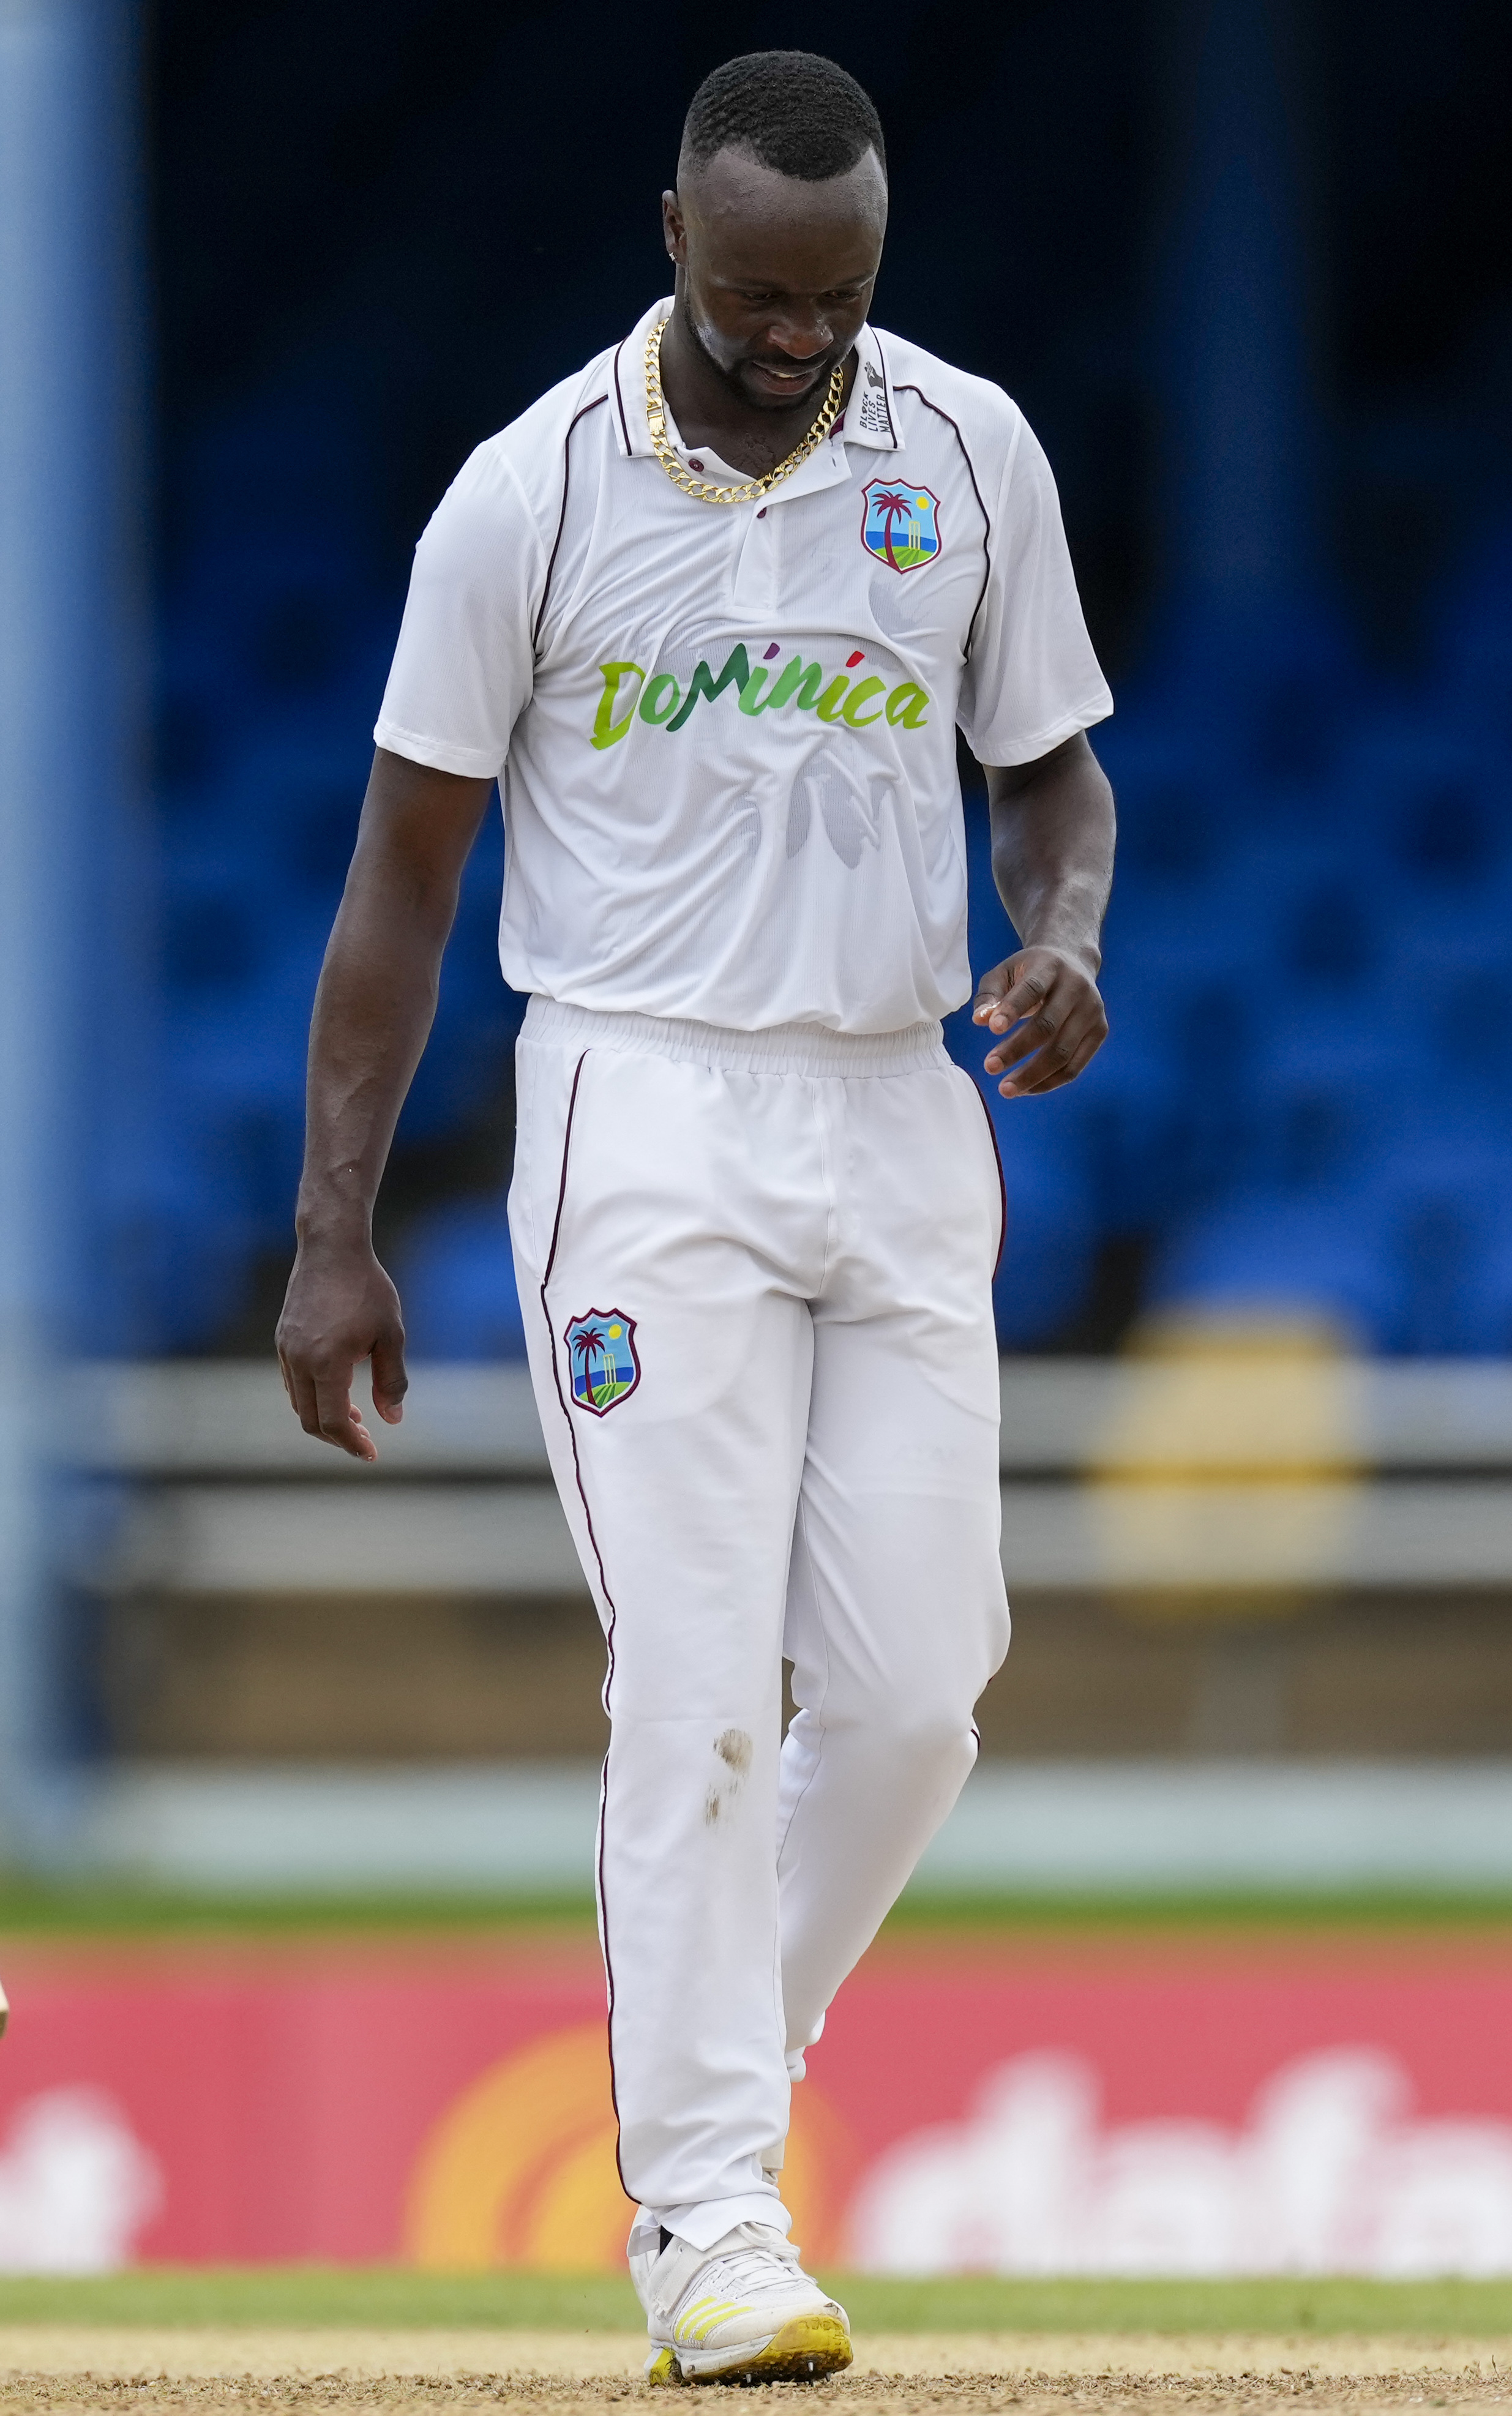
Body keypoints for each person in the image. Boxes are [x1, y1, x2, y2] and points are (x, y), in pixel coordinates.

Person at [275, 51, 1117, 2385]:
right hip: (637, 1112)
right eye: (756, 289)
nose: (796, 333)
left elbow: (1047, 771)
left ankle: (719, 2067)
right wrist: (334, 1225)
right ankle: (709, 2210)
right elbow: (395, 890)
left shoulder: (964, 453)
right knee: (697, 1680)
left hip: (896, 1102)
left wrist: (1060, 935)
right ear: (670, 229)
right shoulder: (518, 502)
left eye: (837, 290)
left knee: (921, 1694)